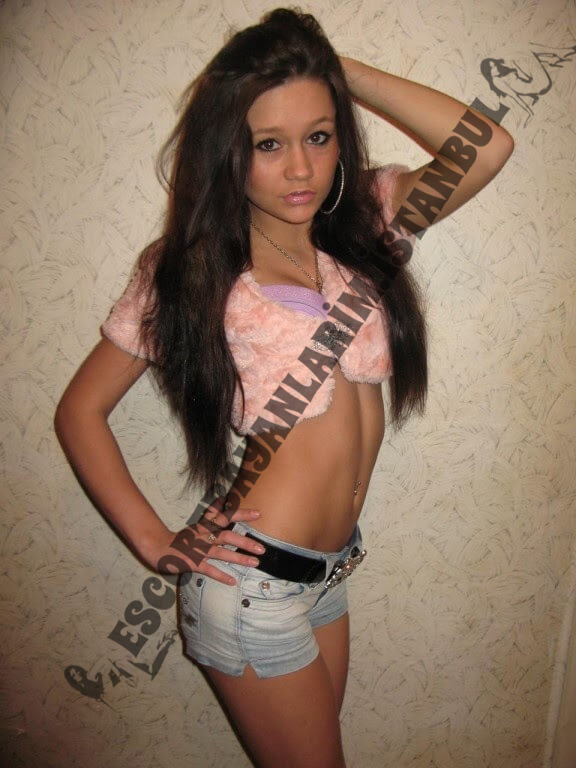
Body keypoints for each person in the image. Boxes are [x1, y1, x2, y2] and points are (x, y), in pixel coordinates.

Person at [55, 8, 514, 767]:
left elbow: (487, 146)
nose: (300, 168)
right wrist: (154, 541)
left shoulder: (370, 224)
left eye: (318, 136)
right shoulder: (191, 267)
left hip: (328, 575)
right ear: (228, 150)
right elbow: (81, 410)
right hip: (251, 586)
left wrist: (336, 69)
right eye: (268, 144)